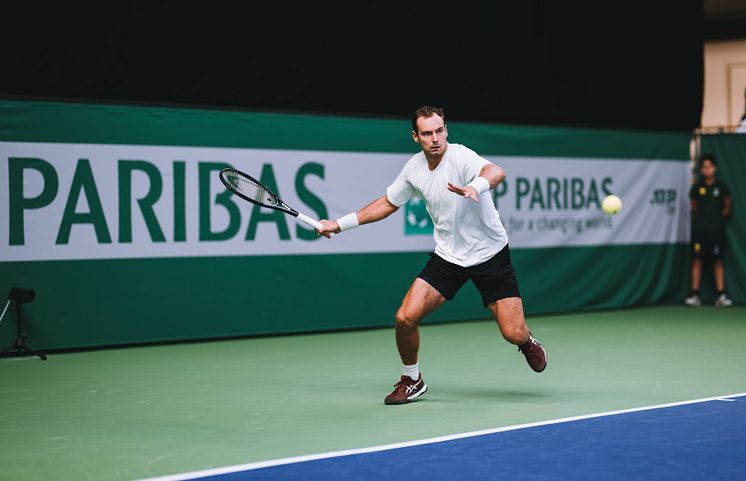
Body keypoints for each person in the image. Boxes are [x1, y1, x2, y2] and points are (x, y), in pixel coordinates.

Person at [317, 106, 547, 405]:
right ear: (416, 137)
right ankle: (413, 380)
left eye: (439, 130)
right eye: (427, 133)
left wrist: (475, 187)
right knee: (404, 317)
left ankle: (526, 341)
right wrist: (339, 224)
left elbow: (495, 172)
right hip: (448, 257)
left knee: (512, 332)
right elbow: (387, 203)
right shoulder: (413, 169)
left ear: (446, 130)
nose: (435, 138)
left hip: (490, 254)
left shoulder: (461, 156)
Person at [684, 154, 733, 307]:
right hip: (699, 230)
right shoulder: (697, 187)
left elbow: (727, 207)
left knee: (717, 261)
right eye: (704, 167)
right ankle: (695, 295)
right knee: (697, 260)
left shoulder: (722, 186)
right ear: (701, 169)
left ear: (715, 168)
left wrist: (717, 221)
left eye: (710, 166)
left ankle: (720, 295)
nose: (707, 169)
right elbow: (694, 207)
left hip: (716, 230)